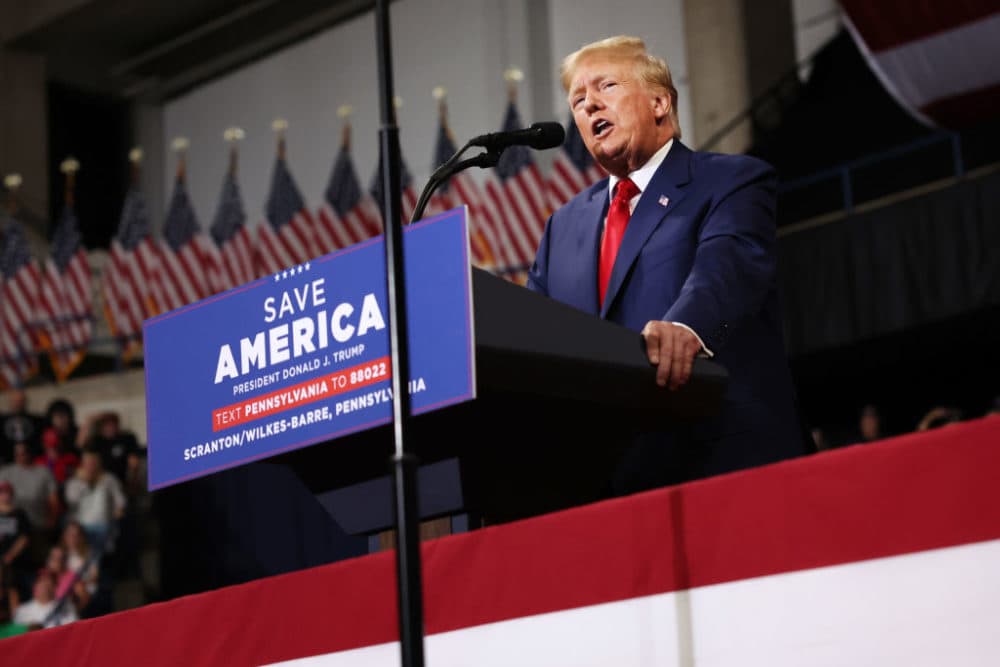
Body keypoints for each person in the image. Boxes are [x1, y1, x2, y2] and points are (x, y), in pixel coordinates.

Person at [527, 35, 809, 492]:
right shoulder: (562, 227)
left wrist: (691, 328)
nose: (590, 105)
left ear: (659, 102)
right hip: (606, 480)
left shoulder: (728, 180)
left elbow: (729, 269)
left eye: (606, 87)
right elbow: (533, 327)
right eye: (578, 100)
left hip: (721, 457)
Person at [63, 449, 127, 554]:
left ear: (99, 464)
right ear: (82, 464)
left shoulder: (109, 479)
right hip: (81, 530)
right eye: (87, 463)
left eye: (93, 463)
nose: (90, 466)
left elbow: (121, 502)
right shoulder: (74, 482)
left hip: (104, 528)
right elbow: (71, 501)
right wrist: (84, 483)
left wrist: (116, 514)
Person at [12, 568, 77, 629]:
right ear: (35, 585)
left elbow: (73, 630)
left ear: (55, 586)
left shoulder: (67, 607)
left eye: (49, 580)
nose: (44, 584)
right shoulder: (22, 611)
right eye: (41, 580)